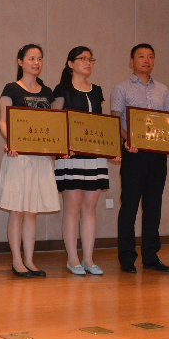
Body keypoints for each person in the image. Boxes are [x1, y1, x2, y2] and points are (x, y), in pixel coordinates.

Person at [109, 43, 169, 274]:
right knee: (129, 206)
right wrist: (128, 139)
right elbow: (115, 121)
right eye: (141, 56)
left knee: (153, 206)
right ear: (132, 62)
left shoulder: (163, 89)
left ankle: (151, 256)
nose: (146, 60)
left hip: (157, 156)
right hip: (133, 154)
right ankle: (127, 257)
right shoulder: (121, 88)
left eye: (150, 56)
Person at [52, 46, 118, 276]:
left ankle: (89, 259)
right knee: (72, 209)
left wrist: (112, 149)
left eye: (91, 59)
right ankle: (72, 258)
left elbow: (101, 125)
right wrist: (62, 147)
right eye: (83, 59)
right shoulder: (62, 89)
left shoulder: (97, 90)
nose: (88, 63)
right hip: (71, 157)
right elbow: (55, 121)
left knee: (90, 209)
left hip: (94, 157)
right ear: (70, 64)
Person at [0, 44, 60, 278]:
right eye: (31, 58)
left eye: (39, 59)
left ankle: (30, 260)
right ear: (20, 62)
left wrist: (56, 147)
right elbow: (4, 121)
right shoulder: (11, 89)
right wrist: (12, 141)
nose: (36, 62)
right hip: (19, 157)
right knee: (18, 210)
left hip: (41, 158)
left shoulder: (48, 92)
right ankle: (16, 261)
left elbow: (53, 125)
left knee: (32, 211)